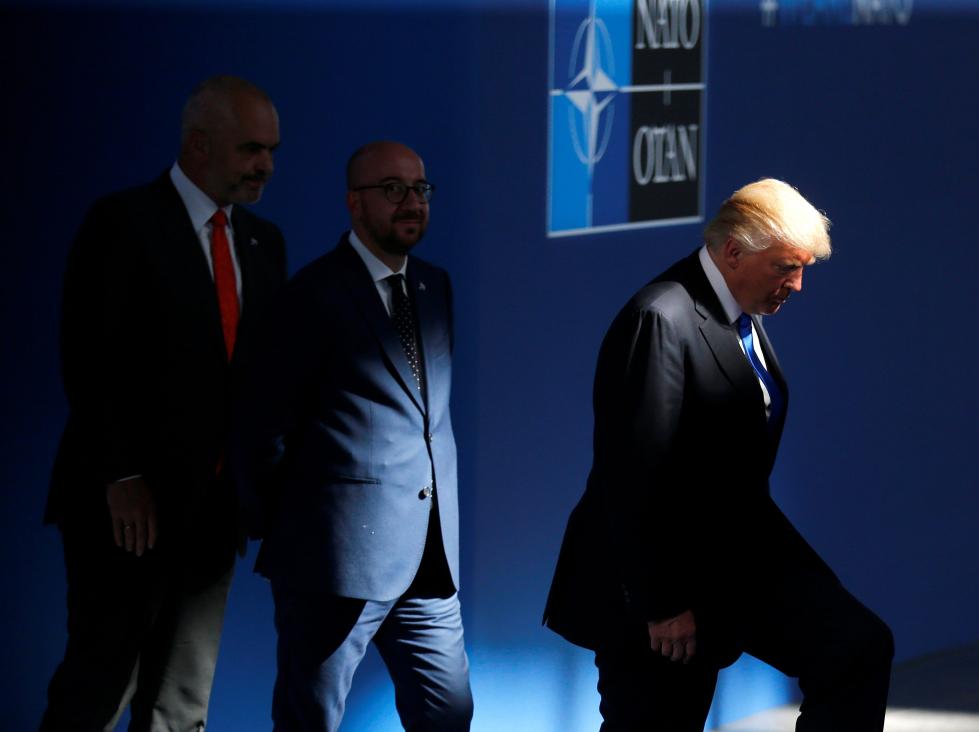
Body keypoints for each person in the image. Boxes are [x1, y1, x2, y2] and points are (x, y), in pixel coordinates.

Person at [543, 178, 894, 731]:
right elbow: (634, 476)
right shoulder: (661, 318)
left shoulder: (745, 314)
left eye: (803, 268)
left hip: (737, 555)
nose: (798, 285)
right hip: (660, 582)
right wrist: (663, 604)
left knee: (857, 648)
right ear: (734, 251)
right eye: (785, 267)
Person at [40, 75, 286, 731]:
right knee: (99, 686)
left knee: (182, 699)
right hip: (126, 511)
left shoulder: (265, 244)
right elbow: (90, 360)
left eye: (272, 151)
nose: (265, 165)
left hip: (214, 513)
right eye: (250, 150)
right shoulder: (122, 222)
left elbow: (260, 379)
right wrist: (121, 477)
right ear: (199, 146)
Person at [234, 141, 472, 730]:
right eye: (393, 190)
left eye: (420, 189)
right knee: (309, 718)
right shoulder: (311, 296)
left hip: (429, 557)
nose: (411, 202)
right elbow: (261, 425)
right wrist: (294, 526)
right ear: (354, 204)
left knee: (449, 714)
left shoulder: (435, 286)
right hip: (333, 563)